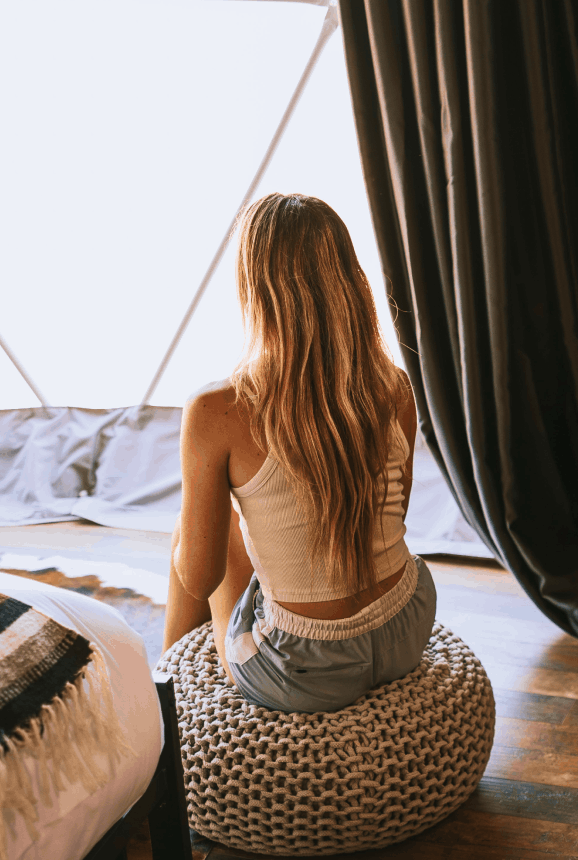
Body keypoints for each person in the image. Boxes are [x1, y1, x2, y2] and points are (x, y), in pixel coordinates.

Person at [161, 192, 433, 712]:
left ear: (253, 288)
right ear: (349, 281)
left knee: (193, 532)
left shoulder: (218, 409)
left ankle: (169, 689)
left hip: (303, 671)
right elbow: (396, 512)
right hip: (407, 625)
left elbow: (198, 579)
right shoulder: (394, 385)